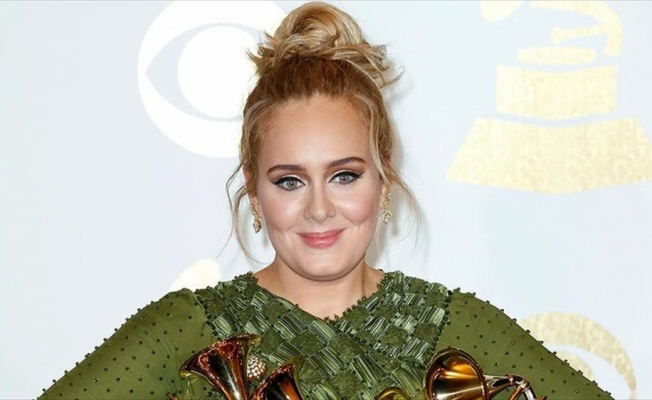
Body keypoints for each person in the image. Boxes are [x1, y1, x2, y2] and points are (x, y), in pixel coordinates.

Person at [40, 2, 613, 399]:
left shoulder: (450, 324)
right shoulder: (186, 329)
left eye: (344, 176)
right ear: (254, 191)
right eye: (289, 181)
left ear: (383, 180)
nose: (318, 209)